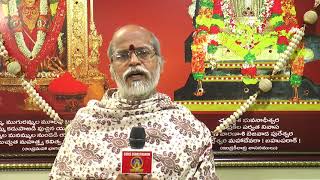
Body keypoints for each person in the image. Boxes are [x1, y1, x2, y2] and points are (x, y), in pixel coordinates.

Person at [49, 25, 219, 180]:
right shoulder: (84, 124)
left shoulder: (189, 129)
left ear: (160, 63)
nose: (134, 61)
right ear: (111, 69)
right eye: (122, 55)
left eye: (143, 52)